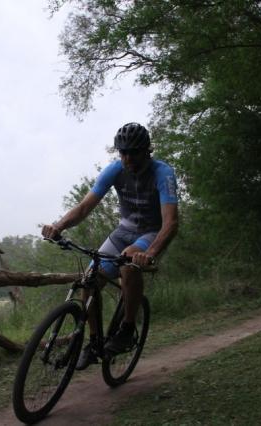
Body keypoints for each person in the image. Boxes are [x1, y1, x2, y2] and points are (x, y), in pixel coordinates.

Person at [42, 122, 179, 370]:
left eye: (133, 152)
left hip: (150, 233)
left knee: (129, 262)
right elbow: (84, 207)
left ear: (147, 150)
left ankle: (127, 329)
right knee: (89, 279)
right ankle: (94, 343)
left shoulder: (163, 173)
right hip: (123, 231)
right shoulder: (115, 170)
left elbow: (171, 222)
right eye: (122, 152)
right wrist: (58, 226)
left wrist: (150, 253)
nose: (127, 158)